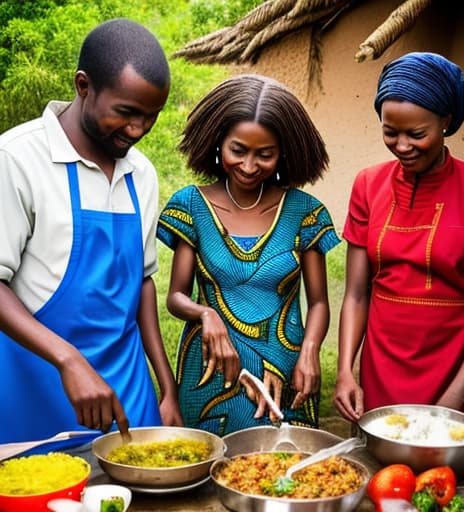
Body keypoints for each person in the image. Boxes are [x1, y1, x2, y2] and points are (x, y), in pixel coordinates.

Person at [0, 18, 183, 444]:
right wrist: (69, 361)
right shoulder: (17, 160)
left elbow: (142, 282)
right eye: (126, 113)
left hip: (129, 400)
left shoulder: (142, 173)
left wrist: (165, 383)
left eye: (151, 117)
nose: (138, 130)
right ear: (83, 86)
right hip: (37, 397)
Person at [333, 52, 464, 446]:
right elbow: (357, 293)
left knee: (456, 494)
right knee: (382, 486)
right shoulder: (368, 185)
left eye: (417, 134)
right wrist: (346, 369)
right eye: (389, 132)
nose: (401, 146)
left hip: (457, 370)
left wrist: (454, 401)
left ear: (447, 121)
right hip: (382, 367)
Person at [157, 74, 341, 435]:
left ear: (283, 152)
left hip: (287, 370)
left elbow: (318, 302)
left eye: (265, 154)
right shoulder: (191, 206)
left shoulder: (304, 213)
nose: (249, 165)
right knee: (205, 468)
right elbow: (175, 296)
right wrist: (205, 313)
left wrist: (310, 351)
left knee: (287, 472)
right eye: (238, 150)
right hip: (210, 369)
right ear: (218, 144)